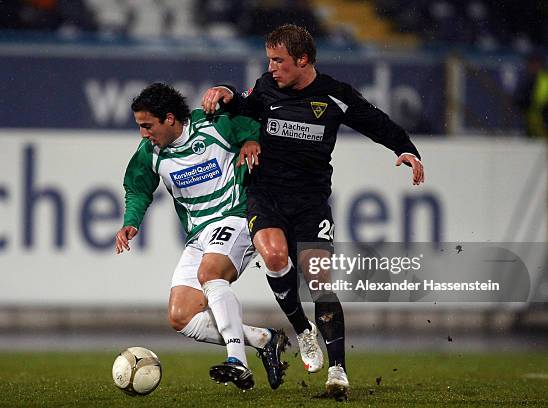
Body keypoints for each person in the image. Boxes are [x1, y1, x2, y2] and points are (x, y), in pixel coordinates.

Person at [202, 24, 425, 396]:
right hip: (266, 194)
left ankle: (338, 370)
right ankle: (303, 330)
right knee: (274, 256)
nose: (272, 68)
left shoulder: (335, 95)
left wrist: (406, 149)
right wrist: (225, 92)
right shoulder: (266, 87)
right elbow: (240, 107)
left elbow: (377, 122)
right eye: (270, 60)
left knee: (319, 281)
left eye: (279, 60)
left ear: (303, 60)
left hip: (310, 202)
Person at [115, 83, 288, 391]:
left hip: (237, 216)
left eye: (147, 126)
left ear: (169, 119)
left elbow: (248, 121)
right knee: (181, 317)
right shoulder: (150, 153)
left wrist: (249, 140)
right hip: (199, 236)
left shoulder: (212, 122)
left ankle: (237, 361)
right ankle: (264, 339)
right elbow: (138, 187)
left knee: (210, 274)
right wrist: (131, 221)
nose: (144, 134)